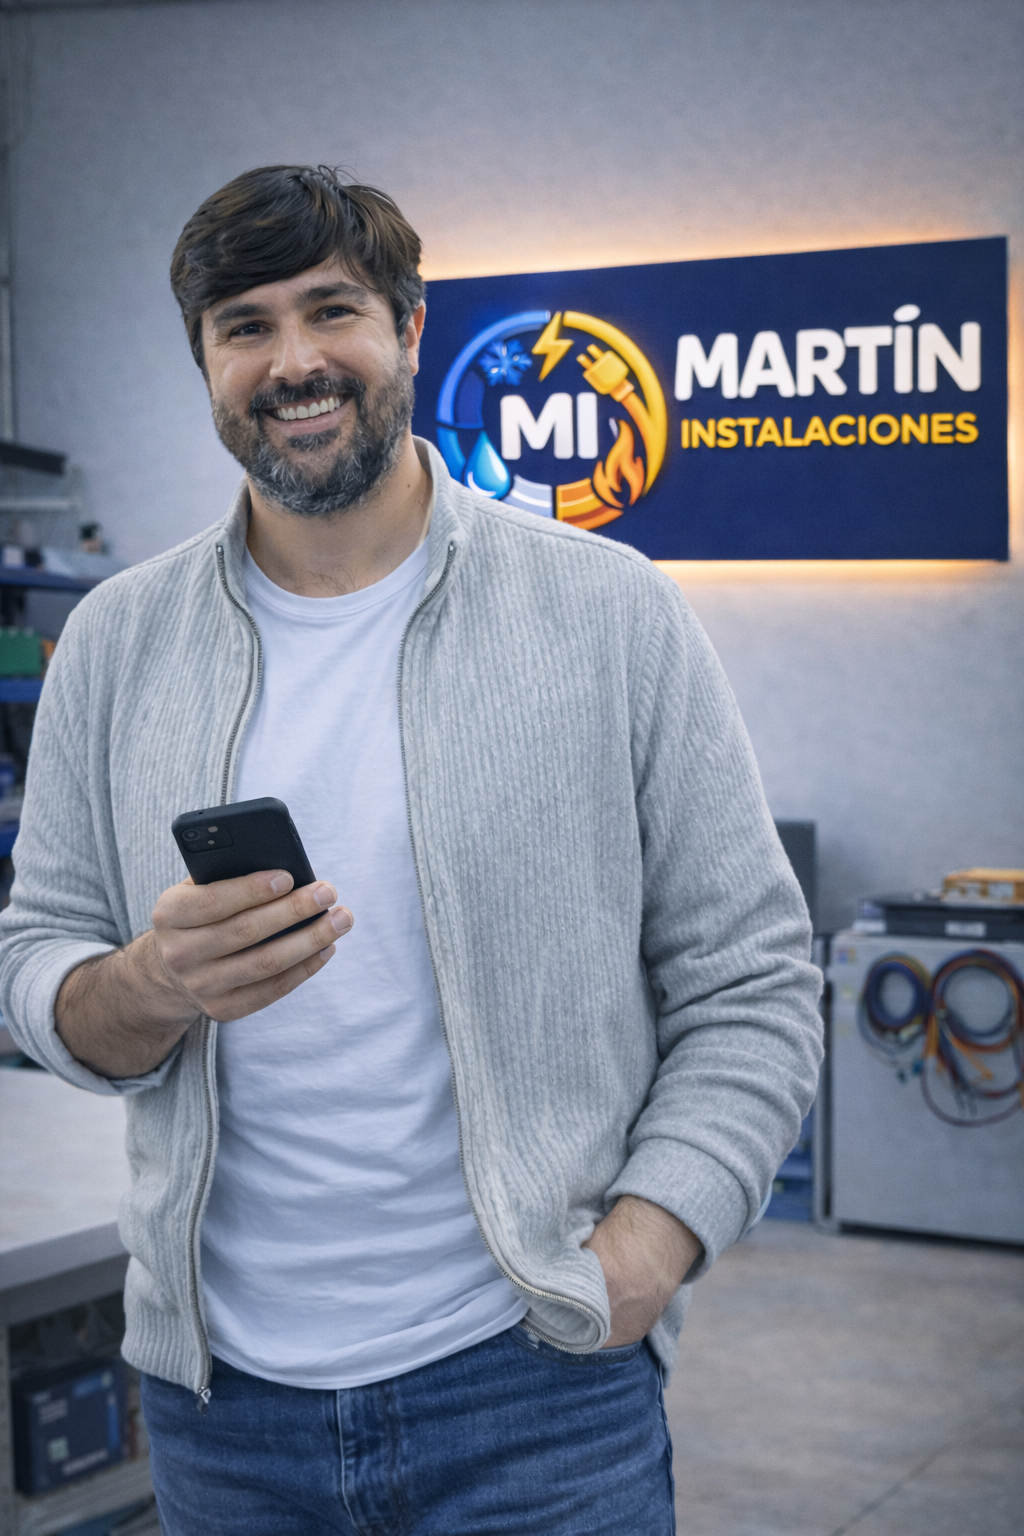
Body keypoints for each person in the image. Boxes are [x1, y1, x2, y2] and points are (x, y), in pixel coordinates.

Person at [0, 165, 822, 1535]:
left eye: (334, 311)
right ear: (204, 361)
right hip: (224, 1410)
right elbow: (35, 960)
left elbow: (751, 979)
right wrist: (147, 987)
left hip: (538, 1389)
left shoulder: (606, 613)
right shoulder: (117, 643)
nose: (296, 360)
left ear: (411, 326)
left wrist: (650, 1244)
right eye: (245, 325)